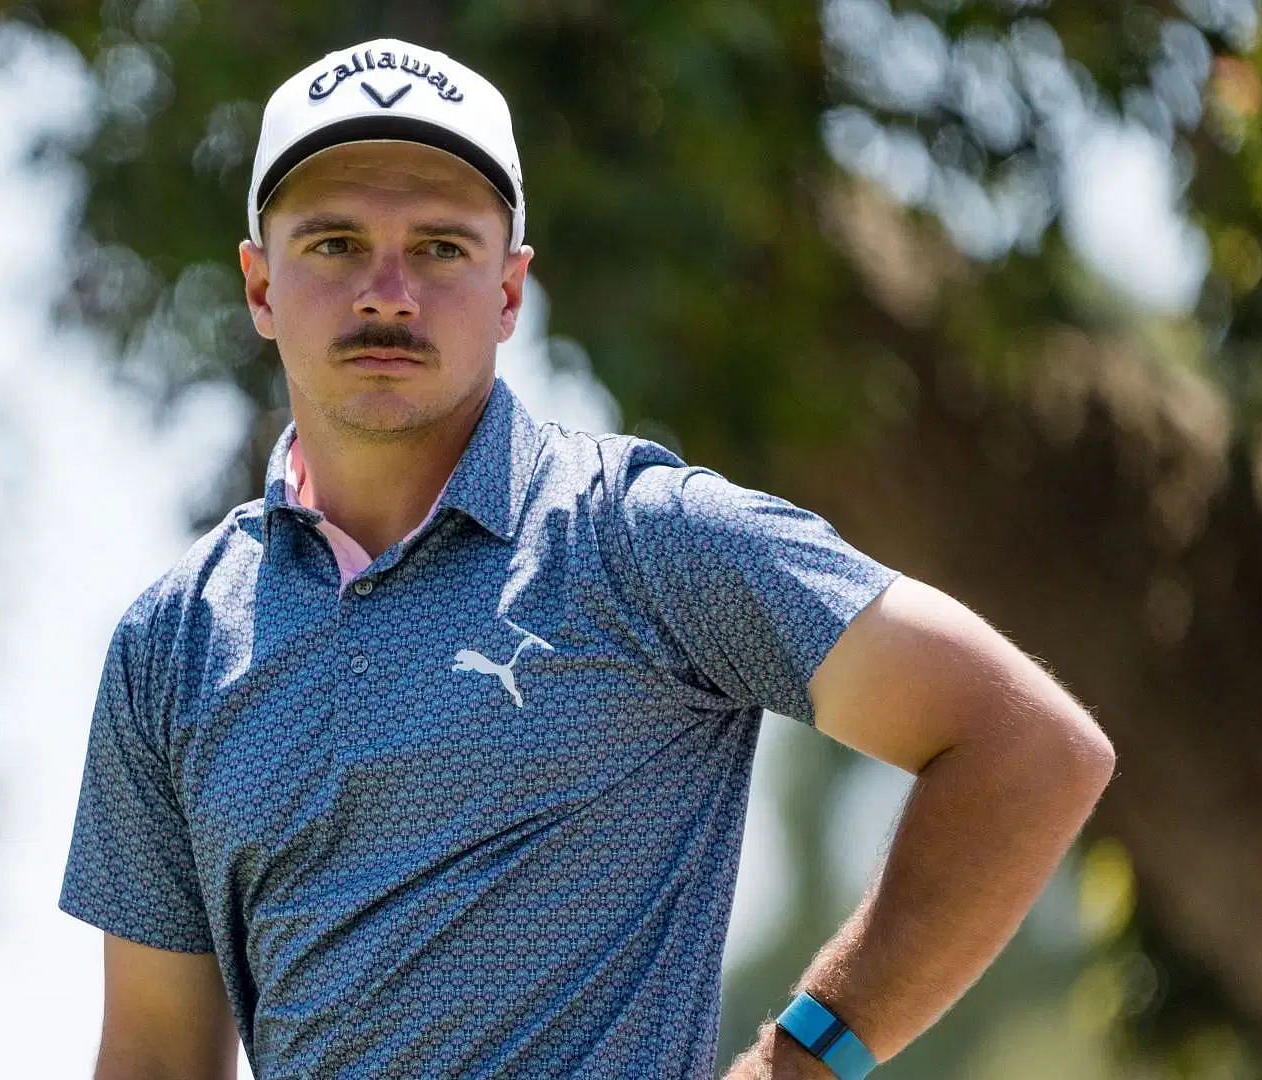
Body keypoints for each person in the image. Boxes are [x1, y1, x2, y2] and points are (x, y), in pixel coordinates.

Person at [59, 39, 1116, 1080]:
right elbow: (155, 1056)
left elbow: (1028, 748)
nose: (388, 292)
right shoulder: (175, 642)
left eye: (440, 247)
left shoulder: (643, 541)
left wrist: (803, 1062)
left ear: (511, 289)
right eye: (334, 244)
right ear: (258, 285)